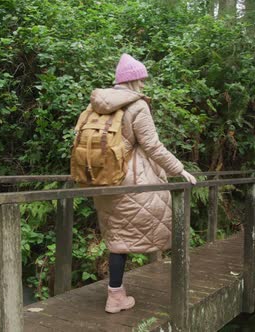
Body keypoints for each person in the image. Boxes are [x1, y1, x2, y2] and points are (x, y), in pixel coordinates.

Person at [88, 53, 197, 313]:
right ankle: (122, 295)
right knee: (131, 234)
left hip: (103, 178)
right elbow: (152, 145)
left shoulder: (98, 105)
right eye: (141, 79)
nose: (144, 84)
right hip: (130, 179)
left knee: (117, 238)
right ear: (133, 80)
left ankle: (116, 294)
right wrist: (179, 169)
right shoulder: (137, 106)